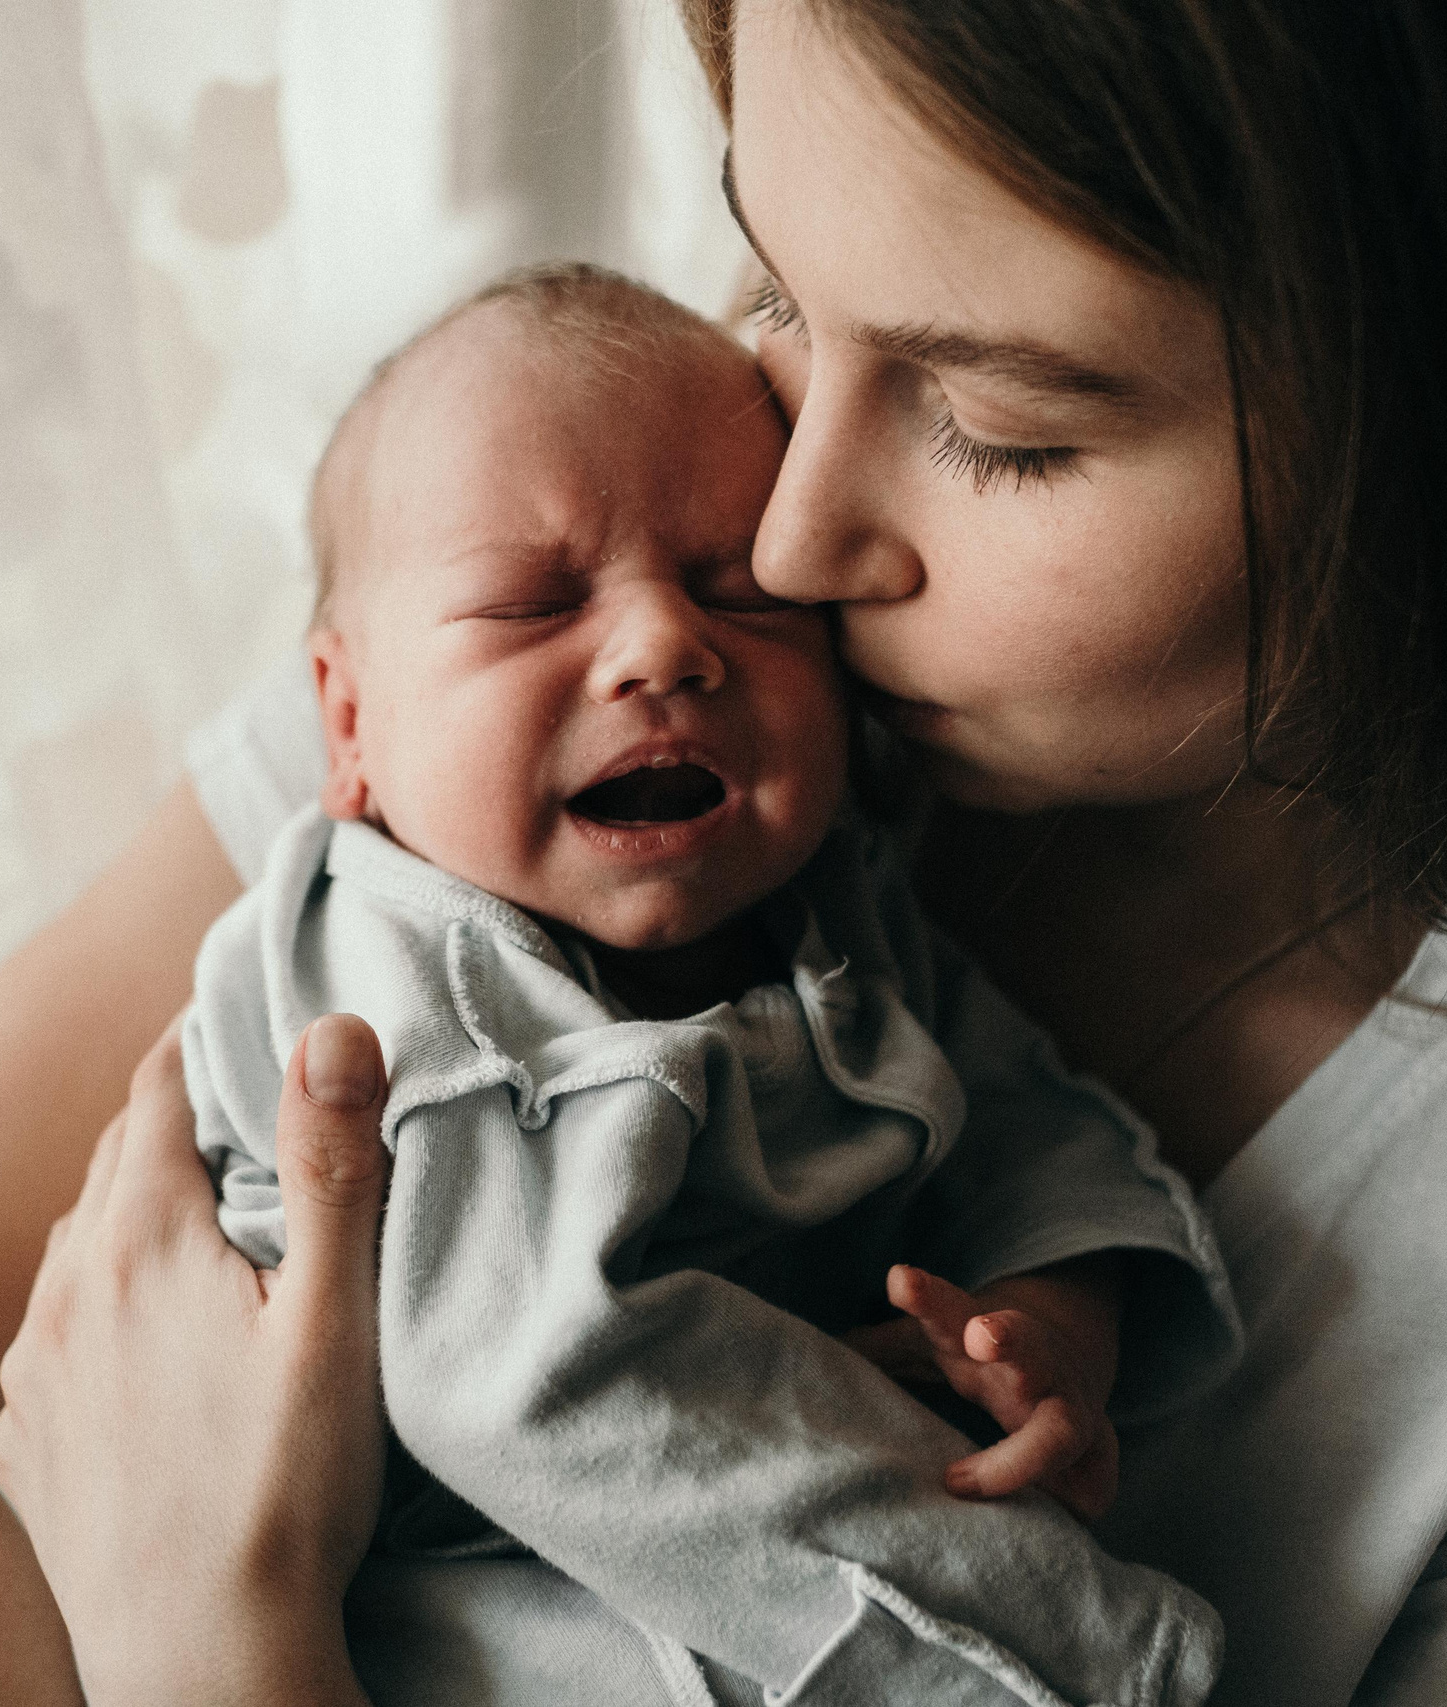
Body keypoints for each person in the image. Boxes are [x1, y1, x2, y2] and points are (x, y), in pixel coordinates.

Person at [0, 1, 1447, 1704]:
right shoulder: (529, 639)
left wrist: (209, 1651)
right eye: (779, 296)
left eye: (1002, 431)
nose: (787, 529)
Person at [184, 262, 1233, 1704]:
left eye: (742, 593)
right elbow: (530, 1379)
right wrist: (1057, 1653)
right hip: (462, 1556)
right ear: (350, 718)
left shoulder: (835, 906)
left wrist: (1052, 1315)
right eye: (531, 605)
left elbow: (1025, 1118)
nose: (666, 645)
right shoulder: (401, 979)